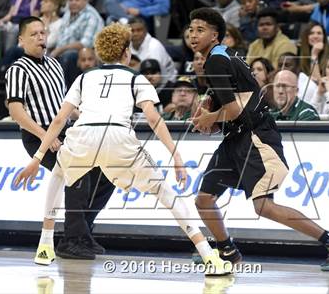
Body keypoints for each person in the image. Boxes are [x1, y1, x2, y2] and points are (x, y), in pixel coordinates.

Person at [15, 22, 232, 276]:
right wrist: (176, 155)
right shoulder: (135, 77)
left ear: (100, 52)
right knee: (165, 193)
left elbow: (59, 119)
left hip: (83, 134)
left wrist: (37, 157)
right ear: (127, 52)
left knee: (59, 173)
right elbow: (153, 118)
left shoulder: (84, 77)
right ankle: (209, 255)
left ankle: (45, 243)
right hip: (118, 135)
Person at [189, 7, 329, 271]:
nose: (192, 34)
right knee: (204, 198)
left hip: (256, 136)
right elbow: (233, 106)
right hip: (235, 139)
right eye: (190, 29)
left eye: (200, 30)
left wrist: (210, 119)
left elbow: (234, 110)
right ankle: (227, 250)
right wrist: (208, 117)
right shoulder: (221, 58)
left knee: (264, 206)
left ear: (215, 35)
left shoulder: (216, 60)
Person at [5, 16, 114, 264]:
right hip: (38, 134)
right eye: (33, 34)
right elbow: (16, 112)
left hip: (66, 131)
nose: (40, 37)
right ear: (21, 40)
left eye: (43, 33)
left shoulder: (55, 64)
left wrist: (87, 114)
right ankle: (71, 241)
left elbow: (64, 103)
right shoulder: (18, 69)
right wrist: (45, 136)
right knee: (77, 174)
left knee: (107, 173)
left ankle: (82, 233)